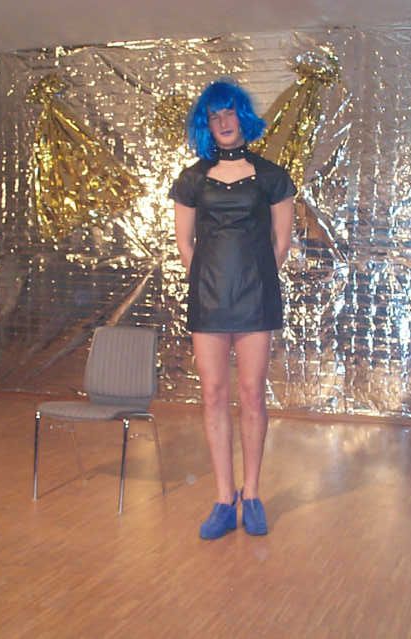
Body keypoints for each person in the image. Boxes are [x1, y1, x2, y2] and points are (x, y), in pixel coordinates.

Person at [170, 79, 296, 539]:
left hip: (255, 298)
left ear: (242, 118)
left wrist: (251, 280)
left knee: (252, 394)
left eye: (229, 113)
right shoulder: (192, 179)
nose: (223, 122)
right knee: (213, 395)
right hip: (208, 300)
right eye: (214, 115)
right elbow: (186, 245)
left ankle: (253, 494)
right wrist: (211, 284)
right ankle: (224, 499)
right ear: (206, 124)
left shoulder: (272, 177)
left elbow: (280, 244)